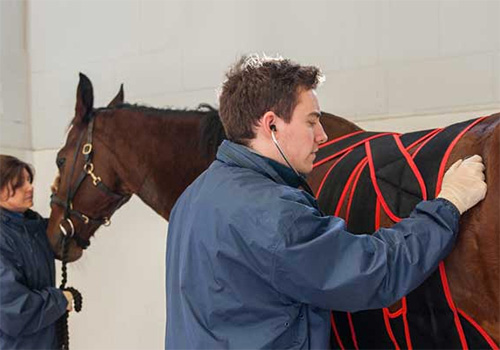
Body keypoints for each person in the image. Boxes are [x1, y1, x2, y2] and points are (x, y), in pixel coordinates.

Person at [165, 55, 487, 349]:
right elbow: (372, 272)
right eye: (311, 121)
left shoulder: (193, 198)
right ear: (271, 124)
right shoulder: (274, 214)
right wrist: (448, 205)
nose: (322, 135)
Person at [0, 155, 73, 349]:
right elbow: (13, 310)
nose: (29, 188)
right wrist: (60, 300)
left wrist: (61, 198)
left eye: (28, 181)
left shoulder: (33, 226)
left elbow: (63, 241)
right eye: (18, 184)